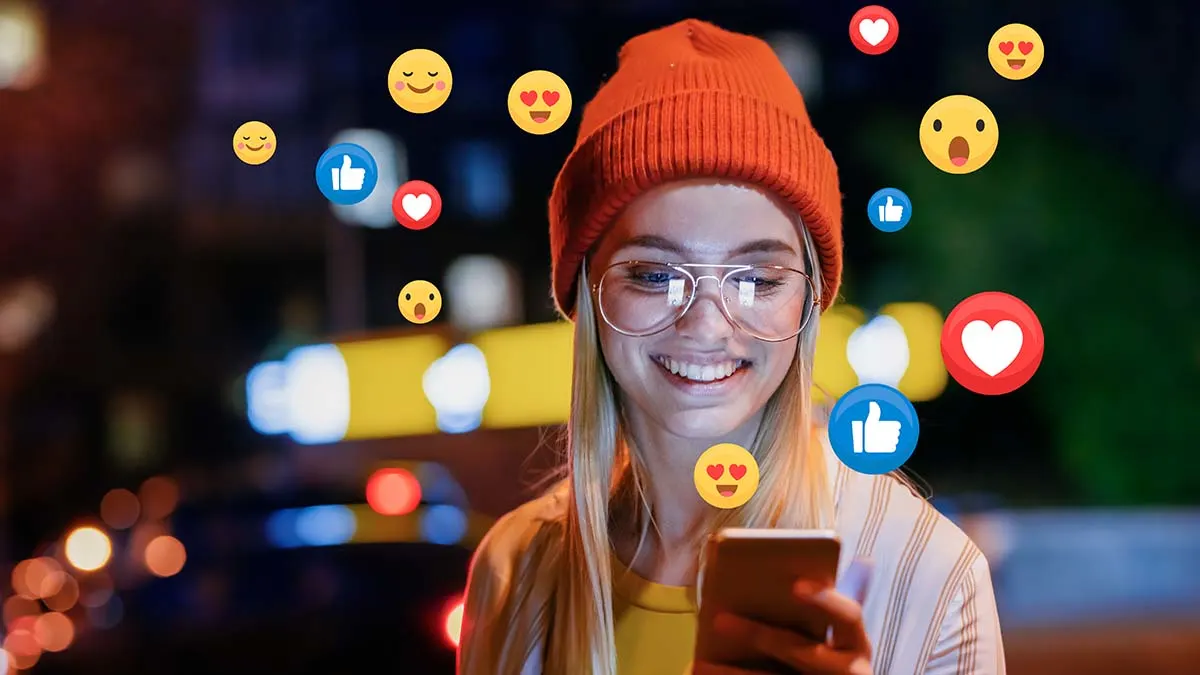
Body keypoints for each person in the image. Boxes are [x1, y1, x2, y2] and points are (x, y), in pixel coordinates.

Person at [458, 18, 1006, 675]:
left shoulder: (927, 574)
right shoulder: (517, 568)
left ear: (807, 301)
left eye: (757, 278)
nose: (709, 323)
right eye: (654, 274)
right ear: (586, 296)